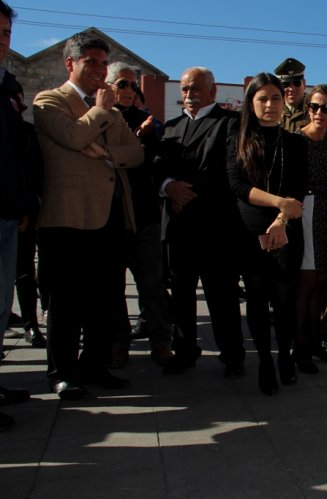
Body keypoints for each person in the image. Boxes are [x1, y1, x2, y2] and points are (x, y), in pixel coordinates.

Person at [33, 33, 143, 400]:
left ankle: (94, 366)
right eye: (91, 62)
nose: (99, 70)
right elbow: (74, 136)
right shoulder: (50, 100)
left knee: (106, 299)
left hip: (110, 217)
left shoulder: (110, 111)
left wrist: (106, 152)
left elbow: (137, 152)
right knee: (66, 303)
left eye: (102, 62)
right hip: (67, 219)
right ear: (71, 64)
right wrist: (97, 114)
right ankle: (62, 373)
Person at [154, 67, 245, 379]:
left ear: (212, 91)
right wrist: (168, 186)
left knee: (222, 296)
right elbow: (157, 166)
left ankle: (232, 355)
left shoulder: (230, 123)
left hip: (216, 227)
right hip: (179, 227)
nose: (189, 95)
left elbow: (226, 170)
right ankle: (185, 352)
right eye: (184, 89)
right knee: (180, 296)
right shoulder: (171, 127)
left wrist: (185, 191)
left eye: (195, 89)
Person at [227, 72, 307, 396]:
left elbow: (299, 188)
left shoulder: (296, 142)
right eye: (263, 98)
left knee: (285, 301)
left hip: (287, 227)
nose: (270, 104)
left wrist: (282, 219)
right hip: (249, 229)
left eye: (275, 98)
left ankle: (285, 355)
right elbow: (238, 186)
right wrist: (278, 204)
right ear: (251, 102)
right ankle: (264, 361)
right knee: (258, 300)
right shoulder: (237, 138)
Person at [106, 61, 174, 368]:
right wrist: (134, 139)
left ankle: (161, 341)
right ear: (108, 86)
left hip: (145, 212)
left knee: (152, 282)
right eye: (122, 84)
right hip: (110, 214)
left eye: (134, 86)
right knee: (112, 286)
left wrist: (144, 138)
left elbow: (154, 161)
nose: (130, 91)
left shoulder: (149, 122)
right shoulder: (99, 118)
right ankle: (118, 342)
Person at [293, 84, 327, 375]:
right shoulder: (296, 138)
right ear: (307, 108)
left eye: (326, 108)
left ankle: (314, 343)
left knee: (326, 280)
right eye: (314, 106)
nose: (319, 113)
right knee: (308, 282)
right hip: (307, 210)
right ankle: (299, 348)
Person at [0, 0, 33, 428]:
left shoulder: (7, 87)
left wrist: (22, 204)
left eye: (6, 34)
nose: (2, 41)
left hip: (8, 214)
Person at [12, 85, 46, 348]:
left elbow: (35, 173)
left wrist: (29, 206)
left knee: (25, 271)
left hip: (22, 211)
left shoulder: (25, 133)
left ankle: (30, 324)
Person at [275, 57, 309, 133]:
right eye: (285, 84)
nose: (291, 88)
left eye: (296, 83)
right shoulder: (274, 110)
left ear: (304, 84)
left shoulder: (316, 109)